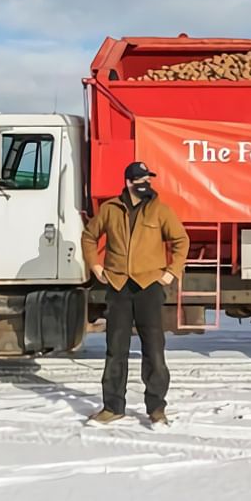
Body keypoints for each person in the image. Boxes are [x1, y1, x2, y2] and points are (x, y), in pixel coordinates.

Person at [81, 161, 190, 427]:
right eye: (140, 179)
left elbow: (181, 240)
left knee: (154, 350)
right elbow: (88, 237)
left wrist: (171, 272)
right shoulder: (110, 210)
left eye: (148, 179)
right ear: (129, 182)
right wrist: (95, 266)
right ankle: (112, 407)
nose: (146, 183)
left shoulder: (160, 211)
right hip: (118, 287)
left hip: (149, 287)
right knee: (115, 350)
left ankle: (156, 409)